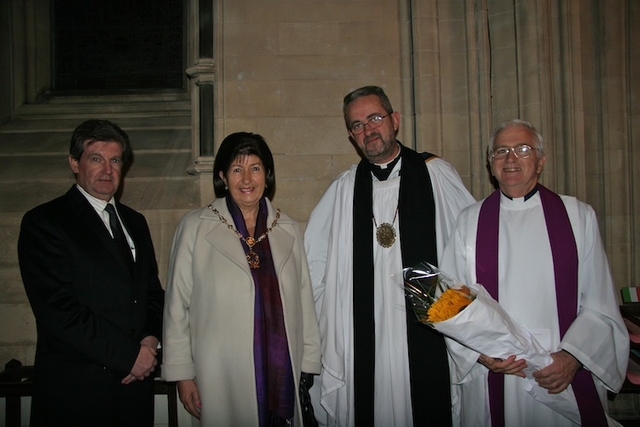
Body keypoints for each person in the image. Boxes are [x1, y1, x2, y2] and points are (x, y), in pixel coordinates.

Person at [304, 85, 475, 426]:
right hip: (364, 330)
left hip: (429, 331)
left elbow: (469, 251)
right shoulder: (344, 189)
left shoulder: (435, 174)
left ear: (394, 120)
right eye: (357, 125)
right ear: (351, 136)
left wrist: (470, 327)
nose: (367, 130)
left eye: (375, 118)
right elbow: (313, 267)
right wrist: (327, 331)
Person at [440, 119, 629, 426]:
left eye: (522, 149)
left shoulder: (578, 217)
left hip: (558, 372)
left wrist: (572, 358)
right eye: (501, 151)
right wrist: (481, 355)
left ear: (541, 161)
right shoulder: (469, 221)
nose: (510, 158)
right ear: (491, 165)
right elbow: (449, 303)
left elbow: (600, 303)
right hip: (496, 374)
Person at [161, 132, 322, 426]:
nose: (247, 179)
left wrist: (308, 362)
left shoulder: (287, 228)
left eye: (256, 168)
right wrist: (182, 374)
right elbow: (176, 307)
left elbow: (303, 299)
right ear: (222, 176)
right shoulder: (195, 227)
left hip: (282, 369)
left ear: (267, 174)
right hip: (220, 374)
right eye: (237, 169)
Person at [17, 119, 165, 427]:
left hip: (134, 391)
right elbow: (58, 310)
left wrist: (150, 342)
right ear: (74, 163)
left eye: (115, 160)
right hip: (77, 392)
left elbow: (151, 292)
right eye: (96, 159)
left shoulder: (135, 222)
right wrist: (130, 357)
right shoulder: (46, 222)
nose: (107, 170)